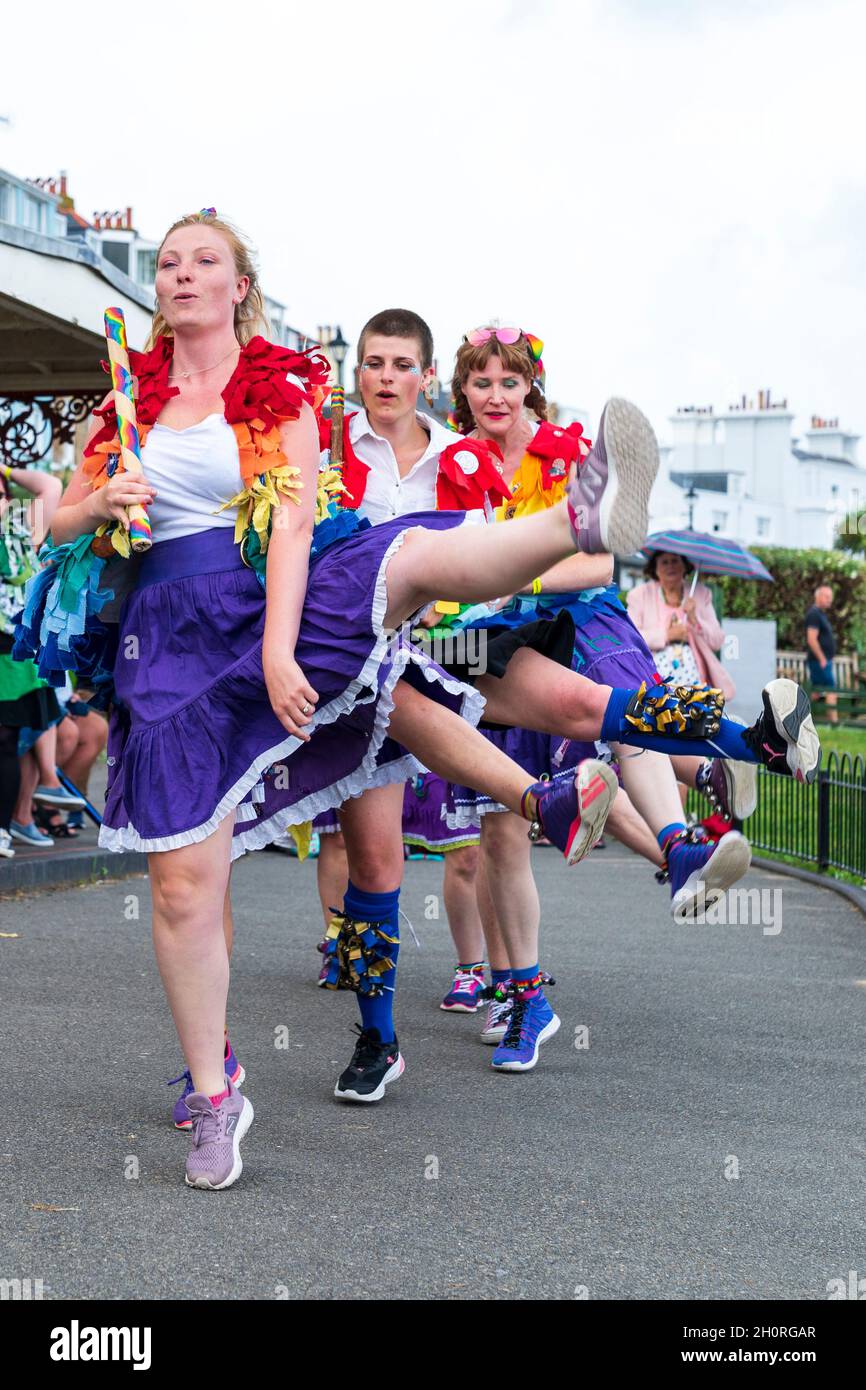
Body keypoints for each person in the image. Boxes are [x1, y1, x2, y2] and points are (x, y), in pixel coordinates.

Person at [14, 215, 817, 1187]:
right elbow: (60, 517)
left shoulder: (277, 389)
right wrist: (94, 504)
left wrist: (276, 649)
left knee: (409, 570)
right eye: (170, 264)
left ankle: (577, 517)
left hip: (274, 593)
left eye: (204, 262)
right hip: (168, 641)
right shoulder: (126, 396)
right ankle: (216, 1091)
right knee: (185, 885)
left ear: (239, 286)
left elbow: (295, 521)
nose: (182, 275)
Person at [0, 461, 64, 856]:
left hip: (11, 653)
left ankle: (3, 828)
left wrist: (5, 470)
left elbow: (51, 484)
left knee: (6, 743)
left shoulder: (23, 535)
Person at [626, 550, 733, 697]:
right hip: (653, 679)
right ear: (655, 568)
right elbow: (629, 637)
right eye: (665, 562)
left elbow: (717, 641)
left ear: (684, 566)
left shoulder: (700, 594)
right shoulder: (639, 595)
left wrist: (695, 619)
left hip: (694, 681)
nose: (671, 566)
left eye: (675, 561)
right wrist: (667, 635)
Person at [804, 585, 837, 725]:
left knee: (816, 692)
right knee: (831, 689)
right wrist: (822, 658)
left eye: (831, 597)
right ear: (818, 596)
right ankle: (834, 723)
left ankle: (800, 718)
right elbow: (811, 639)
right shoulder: (814, 614)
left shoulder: (820, 614)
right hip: (819, 661)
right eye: (827, 596)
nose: (830, 600)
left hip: (822, 661)